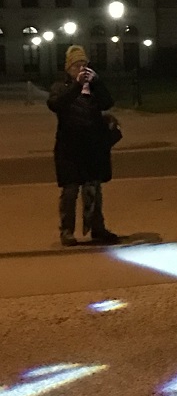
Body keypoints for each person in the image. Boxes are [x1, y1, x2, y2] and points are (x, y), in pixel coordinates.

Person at [47, 45, 120, 246]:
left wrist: (97, 82)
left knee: (93, 189)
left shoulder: (93, 88)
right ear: (69, 68)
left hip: (92, 147)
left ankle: (97, 228)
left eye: (84, 64)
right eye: (77, 65)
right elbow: (56, 104)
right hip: (68, 149)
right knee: (70, 191)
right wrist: (77, 85)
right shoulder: (61, 87)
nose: (81, 68)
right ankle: (67, 231)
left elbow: (107, 103)